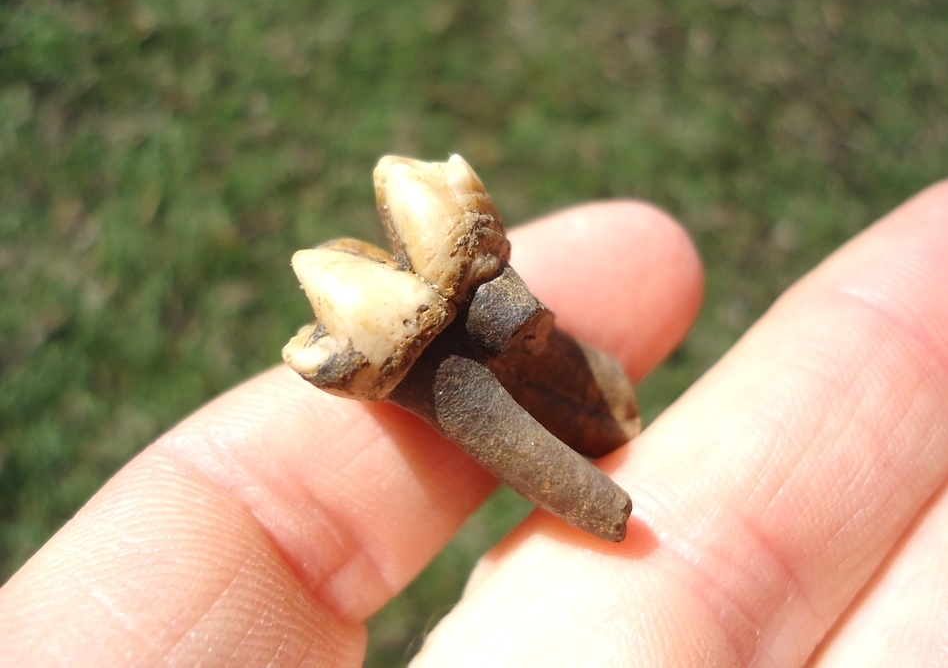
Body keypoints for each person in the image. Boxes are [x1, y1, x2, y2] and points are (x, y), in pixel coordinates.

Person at [1, 181, 946, 666]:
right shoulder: (424, 346)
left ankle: (604, 421)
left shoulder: (496, 309)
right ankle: (601, 432)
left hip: (448, 340)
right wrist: (600, 497)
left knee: (559, 371)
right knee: (555, 396)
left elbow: (524, 333)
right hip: (417, 359)